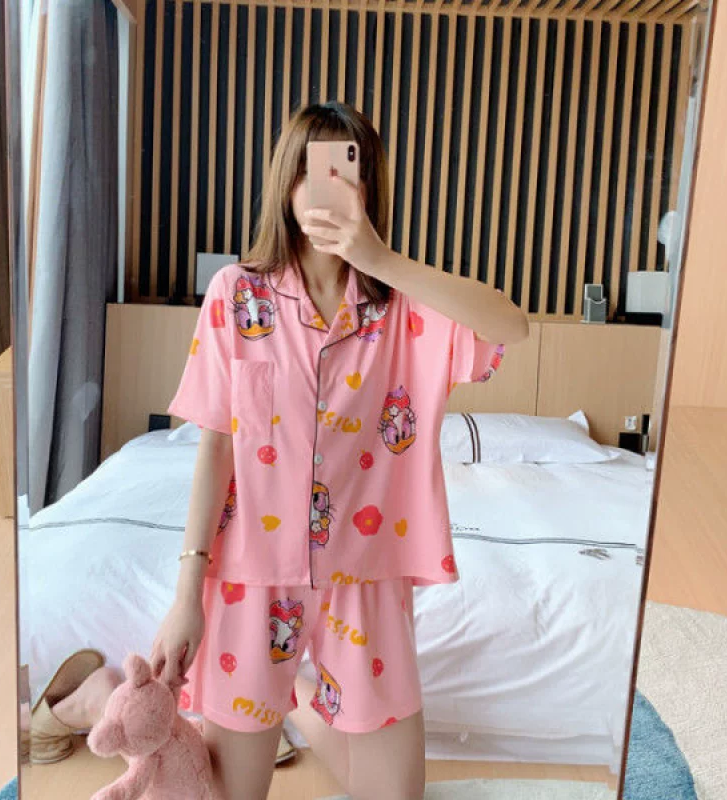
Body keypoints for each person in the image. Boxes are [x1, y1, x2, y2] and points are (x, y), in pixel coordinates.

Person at [150, 101, 529, 800]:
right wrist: (186, 596)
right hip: (249, 576)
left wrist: (378, 259)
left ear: (368, 188)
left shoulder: (405, 308)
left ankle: (303, 706)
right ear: (285, 183)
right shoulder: (238, 295)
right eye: (309, 171)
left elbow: (511, 324)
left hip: (368, 574)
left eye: (345, 172)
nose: (324, 190)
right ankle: (291, 703)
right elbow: (216, 447)